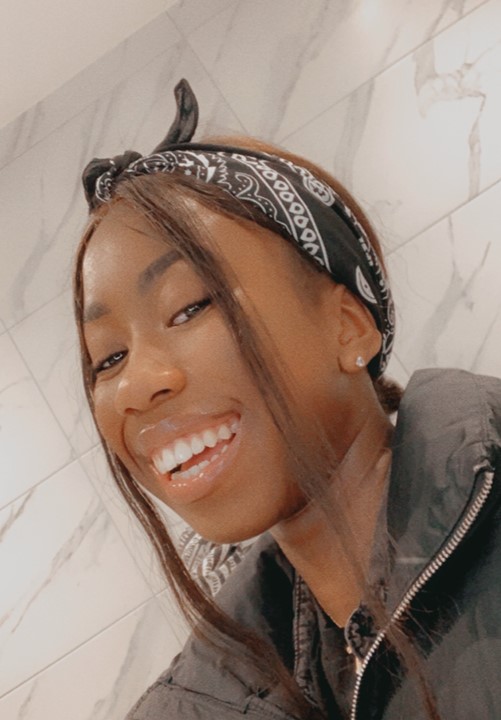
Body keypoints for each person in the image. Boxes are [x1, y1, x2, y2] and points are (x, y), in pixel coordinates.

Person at [74, 80, 501, 720]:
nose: (135, 385)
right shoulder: (199, 701)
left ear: (348, 327)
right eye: (108, 358)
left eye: (189, 307)